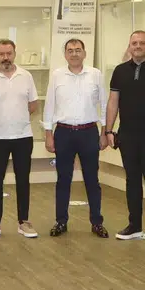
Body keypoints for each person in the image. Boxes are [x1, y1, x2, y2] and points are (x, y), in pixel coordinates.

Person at [43, 38, 108, 238]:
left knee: (92, 179)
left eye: (78, 50)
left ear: (84, 53)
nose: (74, 54)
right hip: (63, 133)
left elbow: (104, 105)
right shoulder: (57, 75)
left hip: (89, 132)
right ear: (65, 54)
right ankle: (61, 221)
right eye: (70, 50)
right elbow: (49, 105)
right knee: (63, 179)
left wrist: (105, 132)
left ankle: (97, 222)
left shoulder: (96, 74)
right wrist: (48, 133)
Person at [105, 31, 145, 241]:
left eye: (142, 43)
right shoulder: (120, 71)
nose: (138, 46)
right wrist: (109, 130)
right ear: (129, 46)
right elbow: (113, 102)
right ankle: (134, 225)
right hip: (127, 135)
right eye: (134, 43)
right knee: (132, 181)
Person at [0, 39, 40, 239]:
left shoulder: (26, 76)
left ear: (15, 54)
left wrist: (17, 117)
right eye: (2, 54)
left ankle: (24, 222)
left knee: (23, 180)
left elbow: (33, 104)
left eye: (9, 53)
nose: (5, 57)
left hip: (23, 137)